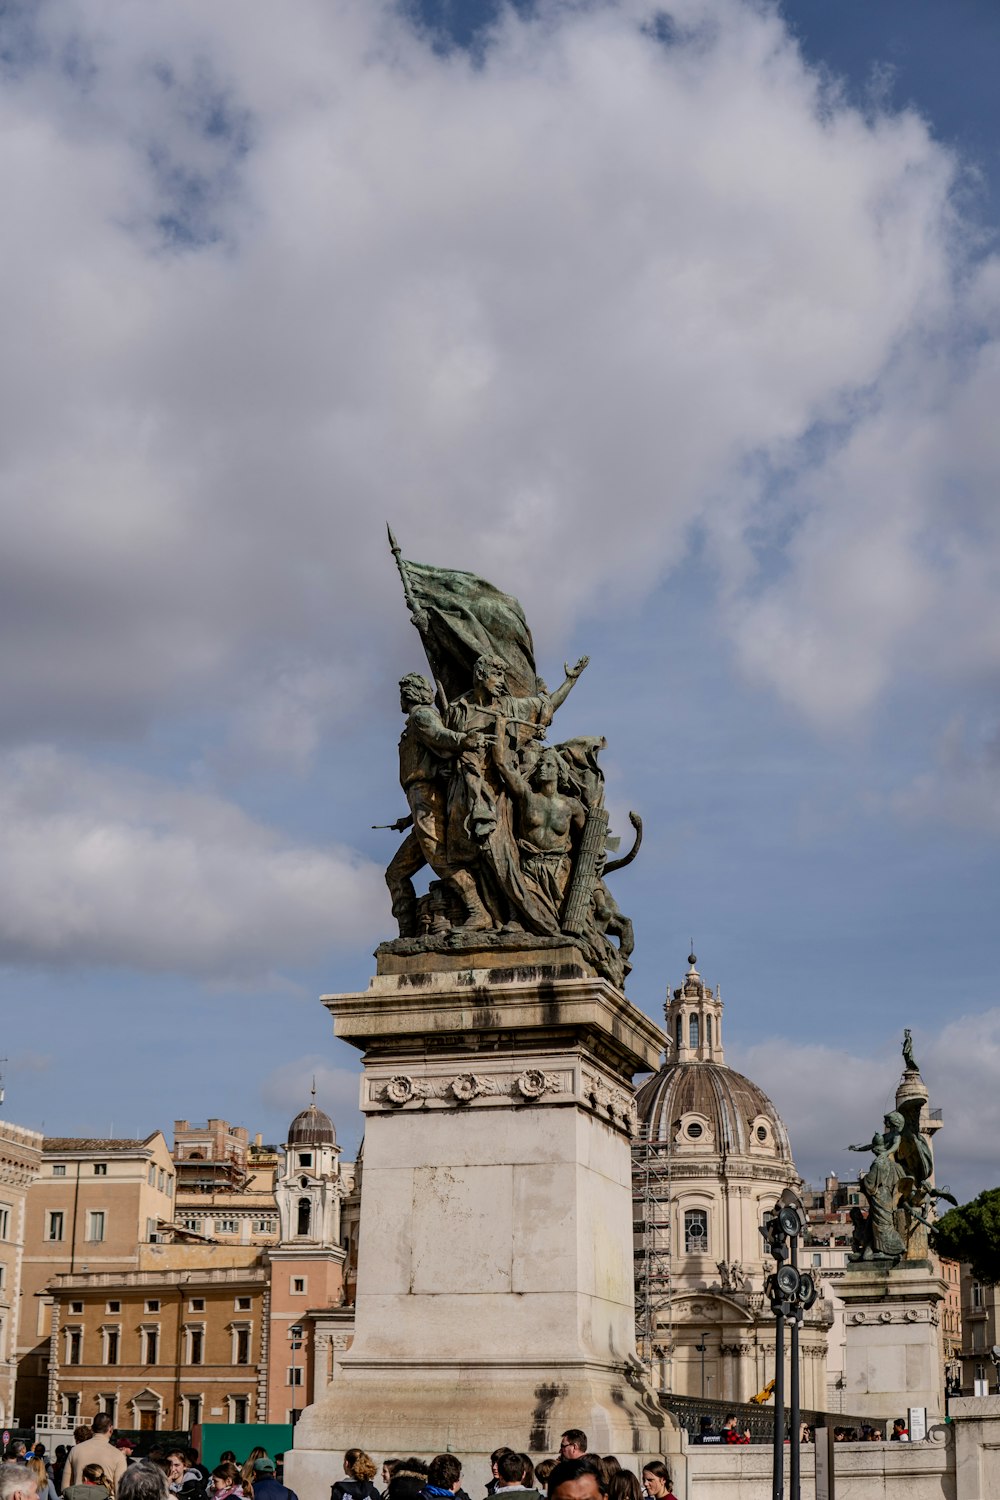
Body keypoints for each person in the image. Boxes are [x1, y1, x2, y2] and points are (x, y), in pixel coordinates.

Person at [385, 673, 488, 935]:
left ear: (410, 694)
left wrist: (464, 740)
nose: (400, 699)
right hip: (419, 803)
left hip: (426, 800)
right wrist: (408, 819)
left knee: (440, 860)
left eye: (402, 693)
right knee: (396, 873)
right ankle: (407, 933)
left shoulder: (422, 716)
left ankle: (478, 911)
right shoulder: (414, 722)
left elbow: (442, 736)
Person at [62, 1419, 127, 1498]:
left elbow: (65, 1487)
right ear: (111, 1429)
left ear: (92, 1428)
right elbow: (120, 1492)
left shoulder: (75, 1450)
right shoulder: (118, 1455)